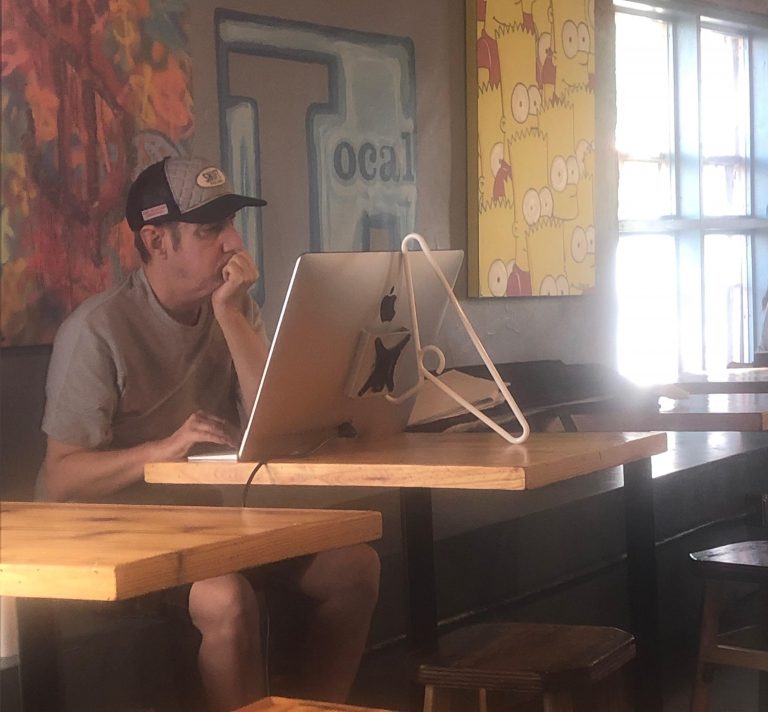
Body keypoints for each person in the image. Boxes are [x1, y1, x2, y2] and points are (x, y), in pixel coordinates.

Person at [37, 156, 380, 712]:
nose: (233, 243)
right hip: (120, 538)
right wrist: (160, 451)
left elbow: (275, 423)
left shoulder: (234, 309)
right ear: (156, 241)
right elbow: (59, 478)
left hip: (211, 527)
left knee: (355, 568)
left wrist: (231, 315)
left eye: (231, 224)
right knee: (226, 598)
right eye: (209, 229)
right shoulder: (97, 330)